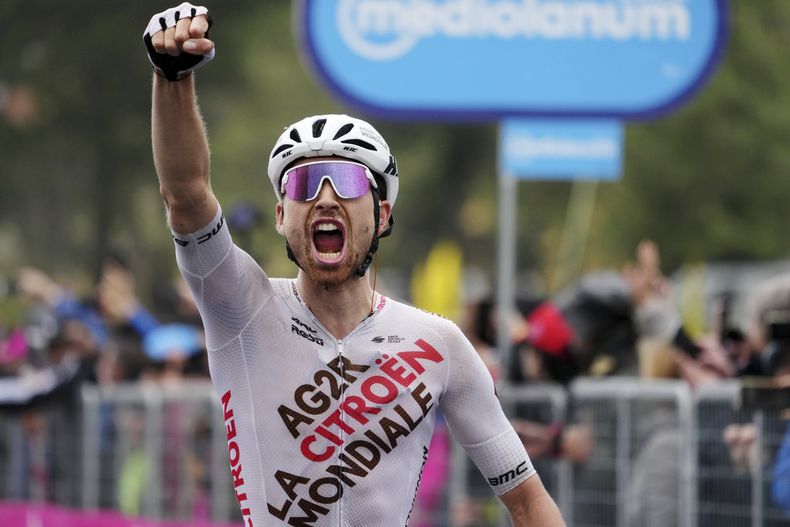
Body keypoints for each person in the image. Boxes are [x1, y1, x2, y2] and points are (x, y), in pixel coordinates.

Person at [142, 3, 565, 526]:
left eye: (345, 183)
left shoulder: (439, 344)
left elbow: (527, 501)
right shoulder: (239, 307)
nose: (323, 199)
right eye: (301, 184)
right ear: (280, 214)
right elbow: (185, 196)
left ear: (382, 213)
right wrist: (172, 77)